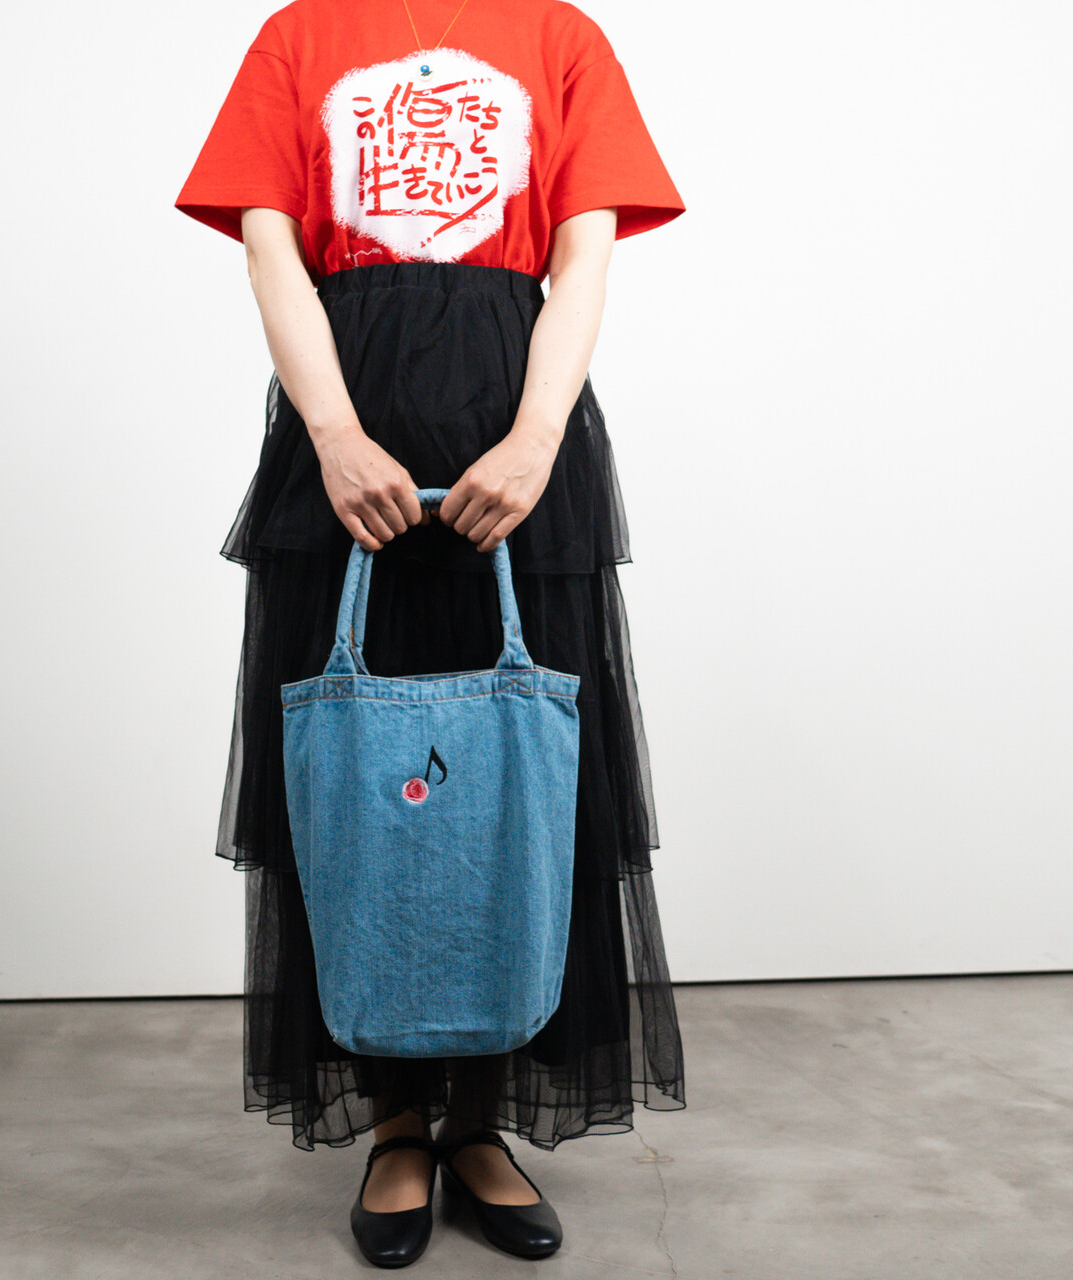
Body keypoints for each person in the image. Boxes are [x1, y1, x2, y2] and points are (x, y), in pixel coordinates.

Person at [175, 0, 687, 1266]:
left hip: (518, 436)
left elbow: (582, 260)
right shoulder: (298, 36)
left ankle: (479, 1120)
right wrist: (335, 435)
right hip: (342, 442)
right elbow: (269, 252)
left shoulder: (560, 39)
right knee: (357, 787)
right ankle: (395, 1119)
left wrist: (536, 439)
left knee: (520, 783)